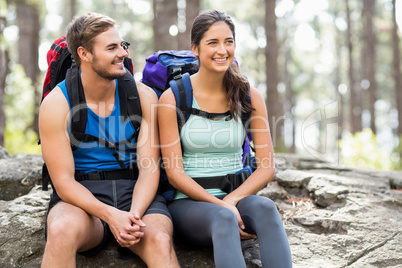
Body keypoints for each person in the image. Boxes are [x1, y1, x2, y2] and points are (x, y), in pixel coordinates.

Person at [39, 13, 179, 268]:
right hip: (82, 200)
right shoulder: (56, 104)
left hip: (138, 196)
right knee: (61, 232)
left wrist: (133, 216)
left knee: (159, 239)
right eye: (112, 47)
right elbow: (63, 183)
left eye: (122, 45)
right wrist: (111, 216)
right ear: (84, 54)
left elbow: (149, 170)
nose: (124, 53)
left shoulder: (144, 96)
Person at [158, 10, 292, 268]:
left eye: (228, 41)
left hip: (236, 196)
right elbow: (175, 174)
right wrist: (224, 208)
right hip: (189, 205)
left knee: (266, 208)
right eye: (213, 42)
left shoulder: (248, 95)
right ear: (195, 49)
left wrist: (231, 201)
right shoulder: (173, 98)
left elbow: (267, 167)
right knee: (223, 218)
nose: (223, 50)